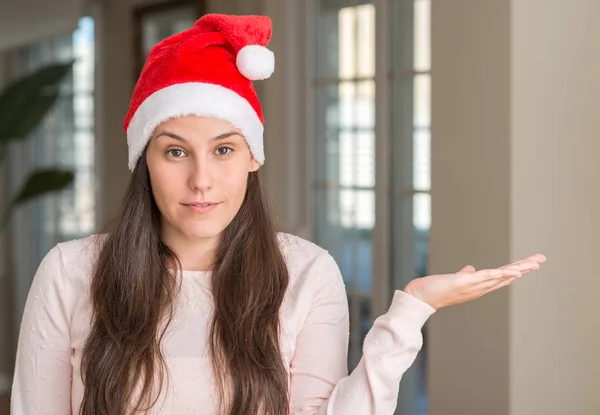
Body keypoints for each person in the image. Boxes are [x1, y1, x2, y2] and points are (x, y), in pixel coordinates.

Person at [10, 13, 546, 415]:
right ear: (143, 161)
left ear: (252, 159)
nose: (201, 179)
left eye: (224, 149)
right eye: (175, 151)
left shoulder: (307, 273)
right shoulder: (69, 273)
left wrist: (410, 312)